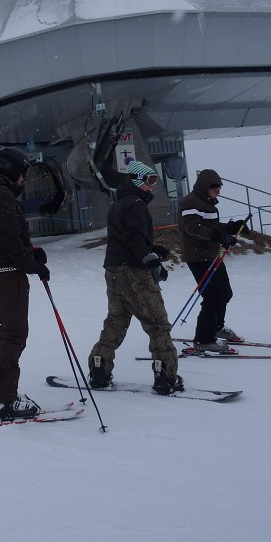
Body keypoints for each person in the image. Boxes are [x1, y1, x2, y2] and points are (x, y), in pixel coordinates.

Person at [87, 161, 183, 395]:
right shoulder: (137, 205)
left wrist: (153, 249)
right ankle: (165, 375)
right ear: (138, 181)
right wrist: (149, 260)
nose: (153, 186)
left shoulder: (118, 204)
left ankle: (99, 367)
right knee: (157, 323)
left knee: (116, 320)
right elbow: (132, 238)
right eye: (150, 181)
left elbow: (126, 238)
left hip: (114, 271)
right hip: (134, 271)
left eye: (155, 181)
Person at [0, 147, 50, 420]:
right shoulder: (2, 195)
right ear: (13, 170)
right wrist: (34, 266)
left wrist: (32, 254)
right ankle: (2, 399)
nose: (25, 178)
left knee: (2, 331)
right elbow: (9, 242)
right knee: (14, 334)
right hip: (7, 274)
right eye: (25, 172)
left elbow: (5, 239)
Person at [177, 168, 247, 353]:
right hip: (198, 257)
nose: (218, 191)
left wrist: (232, 227)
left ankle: (216, 327)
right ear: (204, 186)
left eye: (219, 187)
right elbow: (193, 228)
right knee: (213, 297)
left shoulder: (209, 204)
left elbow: (213, 227)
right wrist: (219, 237)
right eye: (215, 187)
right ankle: (203, 339)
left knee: (225, 293)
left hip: (211, 255)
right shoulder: (190, 203)